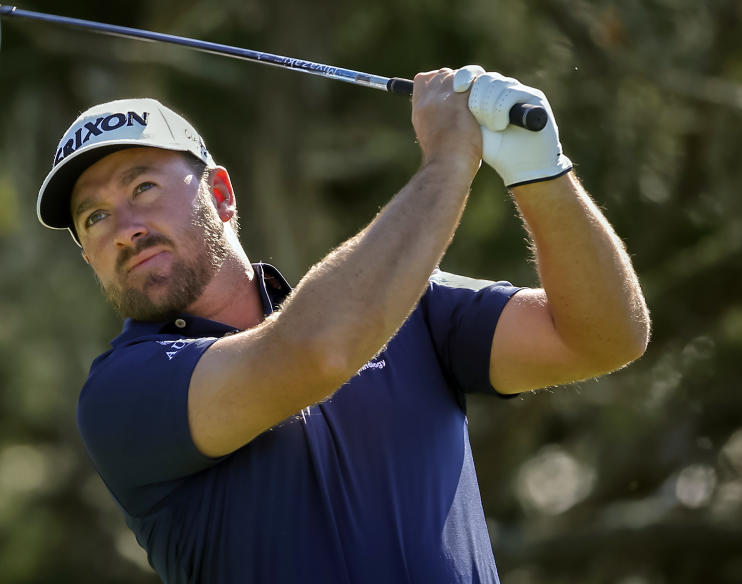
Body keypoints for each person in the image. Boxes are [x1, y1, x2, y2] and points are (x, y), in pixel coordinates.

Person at [35, 66, 650, 583]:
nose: (125, 228)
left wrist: (541, 175)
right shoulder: (122, 392)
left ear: (221, 195)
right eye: (94, 219)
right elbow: (314, 354)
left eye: (142, 187)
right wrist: (448, 163)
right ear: (87, 254)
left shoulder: (412, 306)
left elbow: (603, 337)